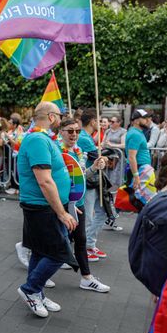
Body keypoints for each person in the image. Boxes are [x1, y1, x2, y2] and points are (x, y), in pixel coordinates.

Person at [16, 101, 78, 318]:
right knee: (59, 253)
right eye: (59, 116)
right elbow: (45, 181)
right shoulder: (37, 140)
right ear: (51, 117)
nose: (61, 120)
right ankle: (30, 290)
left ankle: (37, 292)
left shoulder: (42, 139)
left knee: (41, 251)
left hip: (46, 207)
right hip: (41, 208)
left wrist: (66, 206)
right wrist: (61, 212)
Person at [57, 118, 111, 292]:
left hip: (77, 203)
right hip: (63, 204)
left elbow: (81, 177)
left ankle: (86, 278)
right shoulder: (57, 152)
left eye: (77, 131)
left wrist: (94, 167)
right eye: (70, 131)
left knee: (80, 240)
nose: (74, 134)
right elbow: (56, 181)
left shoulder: (78, 152)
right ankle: (36, 277)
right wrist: (64, 206)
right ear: (61, 131)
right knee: (55, 240)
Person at [79, 108, 108, 261]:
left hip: (95, 180)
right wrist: (105, 158)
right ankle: (84, 247)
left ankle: (89, 243)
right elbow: (97, 157)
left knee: (102, 212)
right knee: (89, 216)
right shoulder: (83, 137)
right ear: (93, 121)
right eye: (99, 120)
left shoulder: (88, 136)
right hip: (89, 180)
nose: (101, 123)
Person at [125, 109, 157, 206]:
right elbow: (131, 157)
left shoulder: (137, 132)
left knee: (143, 200)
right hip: (139, 169)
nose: (148, 120)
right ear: (136, 120)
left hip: (141, 168)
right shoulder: (135, 134)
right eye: (145, 118)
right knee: (141, 201)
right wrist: (136, 176)